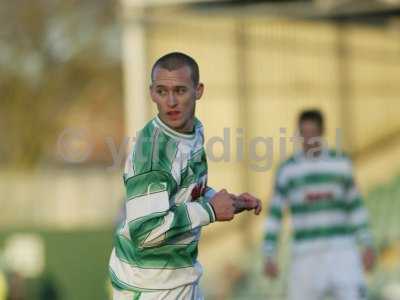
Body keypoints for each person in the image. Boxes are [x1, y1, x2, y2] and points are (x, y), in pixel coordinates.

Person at [109, 52, 262, 300]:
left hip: (180, 278)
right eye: (162, 91)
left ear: (198, 90)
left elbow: (186, 189)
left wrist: (229, 202)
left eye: (180, 91)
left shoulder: (192, 132)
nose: (170, 101)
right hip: (150, 287)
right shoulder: (153, 154)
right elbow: (146, 230)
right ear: (151, 93)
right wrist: (209, 211)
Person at [263, 109, 375, 300]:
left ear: (322, 132)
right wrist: (269, 254)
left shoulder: (341, 164)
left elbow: (356, 207)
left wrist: (367, 244)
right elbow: (275, 214)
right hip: (306, 254)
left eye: (312, 133)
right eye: (303, 134)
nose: (308, 140)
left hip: (341, 249)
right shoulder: (288, 170)